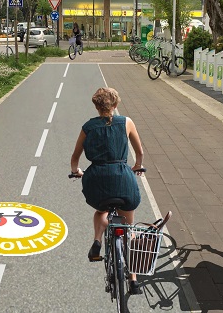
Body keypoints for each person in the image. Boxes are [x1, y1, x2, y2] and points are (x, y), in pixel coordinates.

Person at [70, 87, 145, 295]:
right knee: (128, 228)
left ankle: (97, 241)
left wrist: (76, 171)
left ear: (96, 106)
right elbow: (139, 152)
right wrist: (137, 166)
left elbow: (75, 158)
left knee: (101, 211)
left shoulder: (88, 127)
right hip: (123, 178)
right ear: (116, 104)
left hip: (96, 181)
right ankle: (133, 280)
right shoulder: (126, 122)